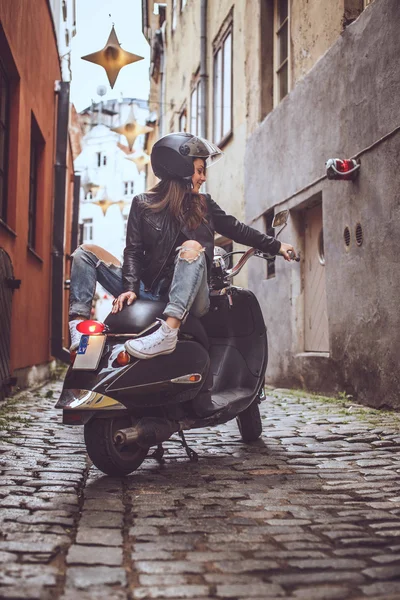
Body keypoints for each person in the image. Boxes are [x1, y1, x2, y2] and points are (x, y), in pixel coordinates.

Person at [68, 132, 296, 359]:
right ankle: (78, 331)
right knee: (85, 253)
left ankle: (168, 332)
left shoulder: (204, 205)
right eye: (199, 170)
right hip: (148, 289)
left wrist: (276, 246)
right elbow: (133, 251)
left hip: (193, 297)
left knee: (192, 247)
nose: (203, 178)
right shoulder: (143, 203)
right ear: (182, 170)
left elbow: (238, 229)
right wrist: (129, 287)